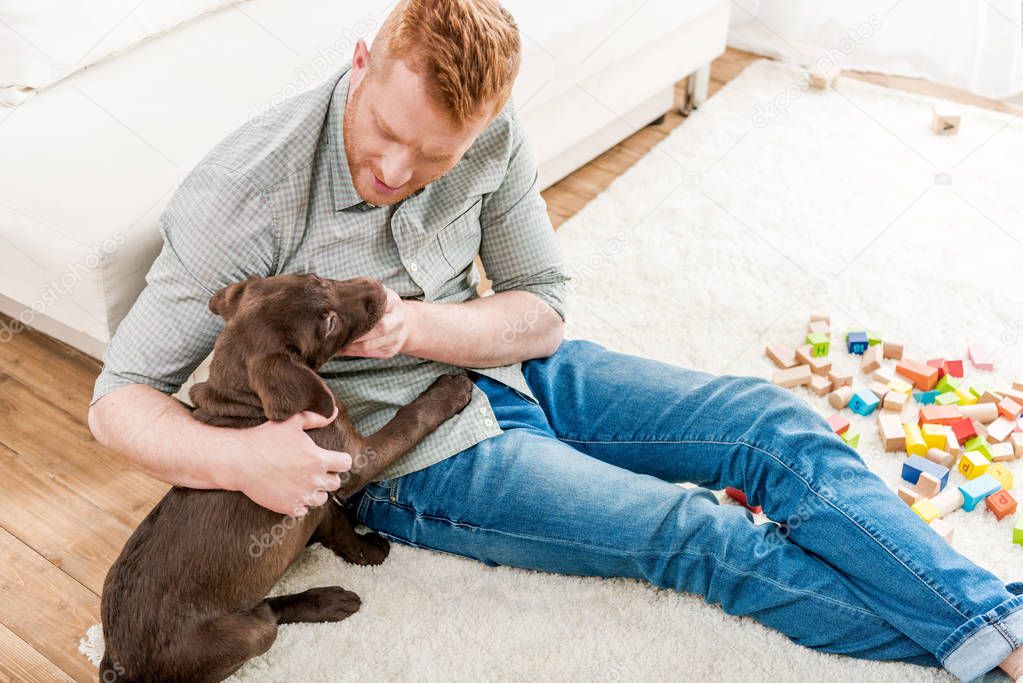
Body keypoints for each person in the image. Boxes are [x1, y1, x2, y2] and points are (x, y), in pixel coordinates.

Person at [88, 1, 1023, 679]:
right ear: (363, 59)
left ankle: (994, 627)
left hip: (513, 367)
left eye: (435, 159)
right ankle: (986, 645)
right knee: (693, 534)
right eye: (385, 135)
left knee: (766, 422)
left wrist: (421, 324)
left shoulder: (492, 136)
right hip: (416, 461)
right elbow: (118, 397)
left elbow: (541, 307)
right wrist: (245, 459)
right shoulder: (242, 194)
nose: (394, 171)